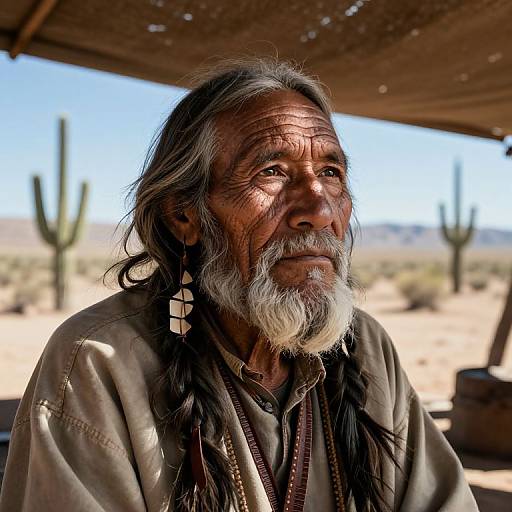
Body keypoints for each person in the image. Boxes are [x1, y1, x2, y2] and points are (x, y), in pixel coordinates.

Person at [0, 58, 478, 512]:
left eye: (331, 173)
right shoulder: (98, 363)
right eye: (272, 172)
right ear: (185, 216)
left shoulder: (368, 348)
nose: (320, 208)